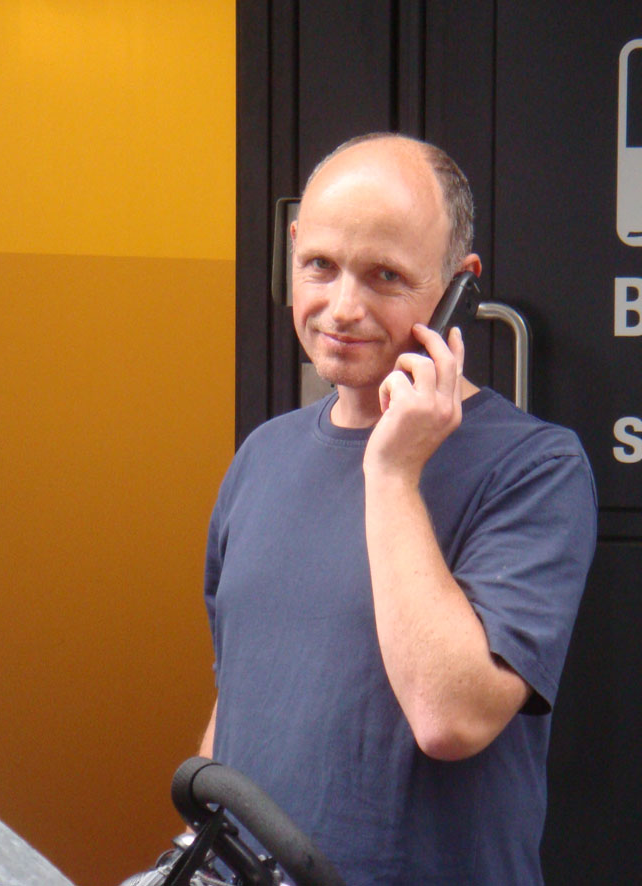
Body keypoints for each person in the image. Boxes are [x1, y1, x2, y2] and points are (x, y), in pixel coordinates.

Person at [199, 133, 596, 884]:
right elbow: (241, 701)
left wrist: (391, 471)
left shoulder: (536, 468)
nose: (343, 307)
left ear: (457, 288)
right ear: (292, 249)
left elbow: (450, 718)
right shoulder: (262, 456)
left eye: (386, 276)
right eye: (320, 265)